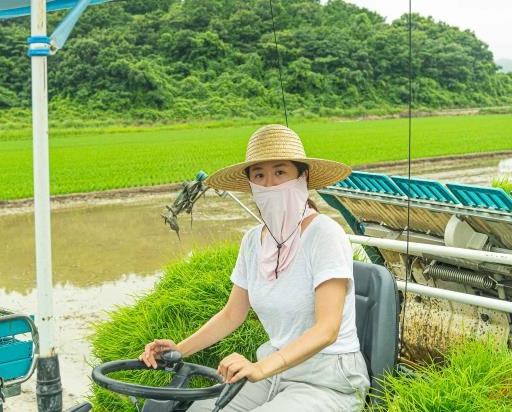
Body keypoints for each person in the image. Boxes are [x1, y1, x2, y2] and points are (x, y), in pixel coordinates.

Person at [140, 124, 369, 411]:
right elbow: (231, 314)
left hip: (327, 378)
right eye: (260, 175)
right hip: (273, 368)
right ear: (251, 184)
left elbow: (327, 329)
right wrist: (177, 350)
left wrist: (261, 368)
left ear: (303, 176)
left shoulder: (325, 234)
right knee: (198, 409)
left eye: (280, 172)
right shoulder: (253, 240)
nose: (270, 184)